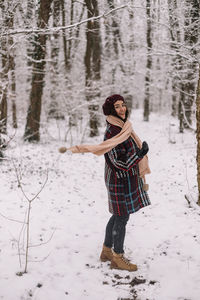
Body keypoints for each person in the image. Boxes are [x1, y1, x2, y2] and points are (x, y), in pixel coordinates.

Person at [59, 94, 151, 272]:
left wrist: (138, 154)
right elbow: (118, 163)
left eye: (123, 105)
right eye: (117, 106)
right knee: (122, 216)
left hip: (127, 177)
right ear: (111, 111)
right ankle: (118, 257)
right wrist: (139, 155)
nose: (122, 108)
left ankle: (106, 250)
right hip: (119, 179)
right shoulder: (113, 131)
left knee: (118, 215)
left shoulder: (124, 127)